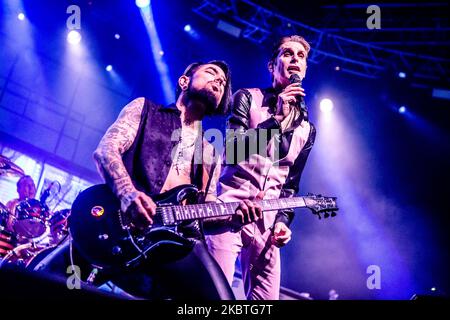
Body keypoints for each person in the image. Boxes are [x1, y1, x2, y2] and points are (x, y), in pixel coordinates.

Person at [89, 60, 262, 299]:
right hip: (120, 225)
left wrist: (233, 219)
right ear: (184, 81)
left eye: (223, 83)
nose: (219, 82)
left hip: (176, 242)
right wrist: (127, 193)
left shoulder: (210, 152)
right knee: (50, 275)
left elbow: (204, 215)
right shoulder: (145, 109)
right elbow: (107, 150)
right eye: (212, 73)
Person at [206, 35, 316, 300]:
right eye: (287, 54)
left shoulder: (307, 129)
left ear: (305, 69)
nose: (294, 60)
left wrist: (282, 222)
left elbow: (290, 186)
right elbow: (233, 152)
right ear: (272, 65)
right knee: (213, 296)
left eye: (300, 56)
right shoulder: (247, 98)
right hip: (229, 212)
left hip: (266, 227)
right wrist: (276, 119)